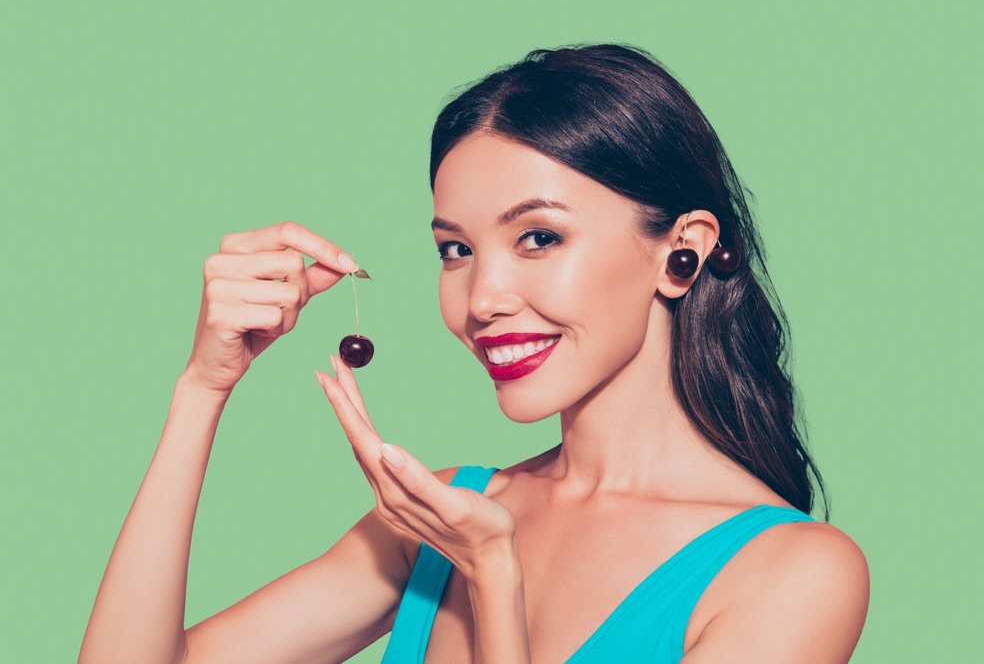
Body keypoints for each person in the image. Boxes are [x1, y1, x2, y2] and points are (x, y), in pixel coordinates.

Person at [79, 44, 870, 664]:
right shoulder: (441, 513)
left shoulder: (794, 574)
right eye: (455, 249)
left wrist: (494, 575)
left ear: (682, 254)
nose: (481, 297)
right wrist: (202, 388)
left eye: (538, 237)